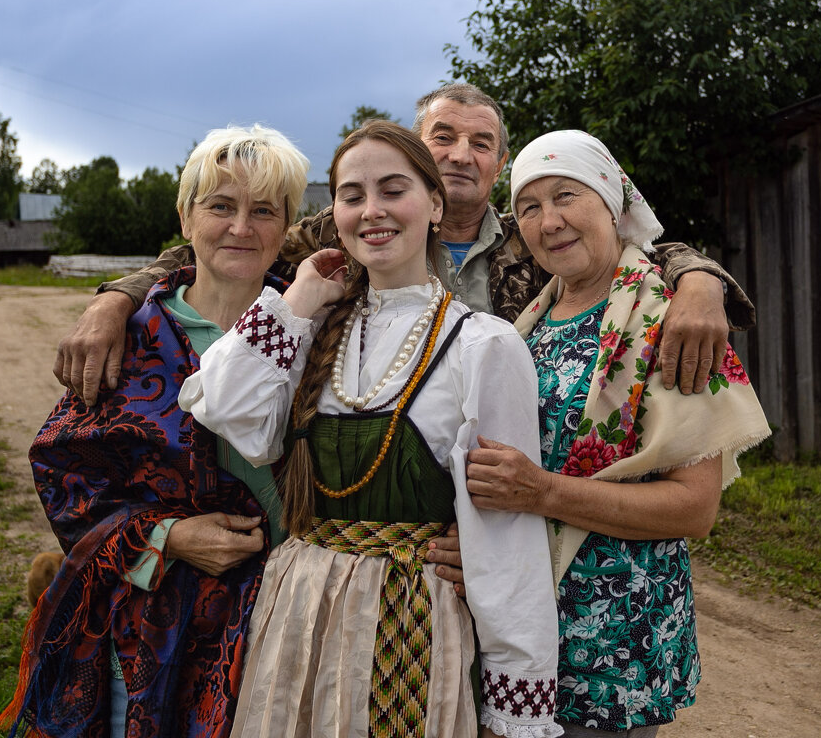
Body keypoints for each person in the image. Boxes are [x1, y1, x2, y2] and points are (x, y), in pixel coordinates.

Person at [178, 120, 562, 737]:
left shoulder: (483, 346)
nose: (372, 211)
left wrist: (513, 709)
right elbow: (228, 408)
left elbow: (507, 538)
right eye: (352, 196)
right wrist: (300, 296)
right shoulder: (314, 328)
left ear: (435, 204)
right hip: (300, 612)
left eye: (393, 190)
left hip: (412, 622)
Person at [55, 83, 755, 410]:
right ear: (416, 155)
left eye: (481, 143)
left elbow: (632, 252)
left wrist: (698, 282)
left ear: (500, 163)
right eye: (443, 136)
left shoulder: (530, 242)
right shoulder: (345, 234)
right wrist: (116, 300)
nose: (460, 153)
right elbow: (230, 245)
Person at [0, 125, 311, 737]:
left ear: (286, 227)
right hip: (147, 624)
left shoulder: (319, 332)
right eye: (220, 206)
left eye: (263, 211)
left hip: (284, 621)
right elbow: (67, 477)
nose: (241, 228)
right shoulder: (131, 336)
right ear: (186, 218)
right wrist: (168, 536)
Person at [463, 130, 772, 736]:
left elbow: (693, 508)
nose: (549, 221)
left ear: (611, 201)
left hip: (611, 646)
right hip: (518, 635)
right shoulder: (527, 318)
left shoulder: (673, 321)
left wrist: (542, 493)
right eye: (529, 206)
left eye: (566, 196)